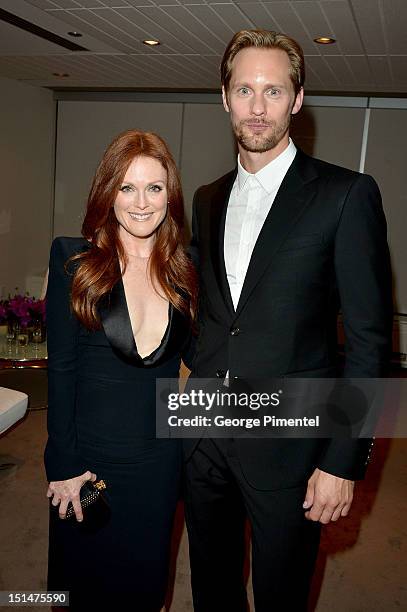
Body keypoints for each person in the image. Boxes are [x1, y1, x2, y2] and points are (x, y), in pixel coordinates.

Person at [184, 30, 393, 611]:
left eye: (273, 90)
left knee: (281, 596)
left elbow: (371, 343)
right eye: (244, 89)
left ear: (297, 100)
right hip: (203, 439)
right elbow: (208, 318)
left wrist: (342, 460)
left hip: (291, 448)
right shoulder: (206, 198)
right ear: (224, 97)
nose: (257, 107)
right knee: (212, 589)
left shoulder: (346, 196)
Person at [45, 129, 196, 611]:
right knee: (80, 592)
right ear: (107, 192)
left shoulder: (186, 268)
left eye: (154, 187)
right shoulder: (75, 262)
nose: (141, 202)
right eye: (127, 187)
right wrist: (63, 464)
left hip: (157, 467)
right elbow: (62, 371)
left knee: (146, 591)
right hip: (88, 464)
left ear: (169, 195)